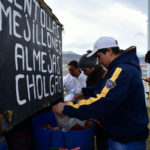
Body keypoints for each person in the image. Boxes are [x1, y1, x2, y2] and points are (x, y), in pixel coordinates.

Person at [52, 36, 149, 150]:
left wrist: (67, 108)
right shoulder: (116, 69)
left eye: (99, 57)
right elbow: (102, 89)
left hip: (126, 138)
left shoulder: (121, 71)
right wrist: (85, 92)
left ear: (109, 51)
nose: (99, 62)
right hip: (122, 132)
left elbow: (103, 100)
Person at [79, 51, 108, 150]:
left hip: (103, 118)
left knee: (103, 142)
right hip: (97, 116)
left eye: (84, 70)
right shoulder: (91, 77)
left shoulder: (102, 77)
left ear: (93, 67)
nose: (83, 73)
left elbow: (100, 98)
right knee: (99, 140)